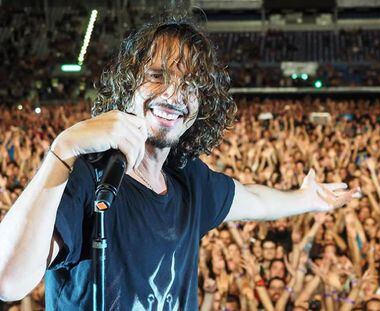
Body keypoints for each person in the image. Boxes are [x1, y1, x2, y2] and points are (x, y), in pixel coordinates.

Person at [0, 15, 360, 310]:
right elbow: (8, 280)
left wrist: (307, 199)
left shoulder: (191, 181)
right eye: (157, 76)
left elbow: (255, 200)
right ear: (128, 85)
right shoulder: (88, 176)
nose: (173, 95)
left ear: (202, 106)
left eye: (190, 84)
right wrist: (62, 150)